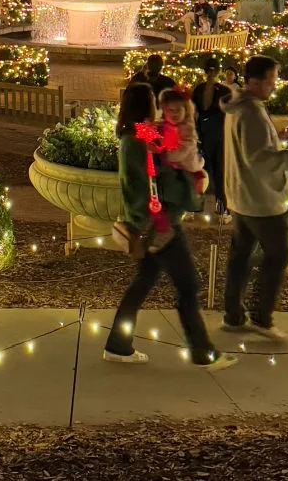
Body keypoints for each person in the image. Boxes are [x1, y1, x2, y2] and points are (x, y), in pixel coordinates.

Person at [102, 83, 236, 371]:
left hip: (154, 223)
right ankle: (202, 353)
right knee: (188, 286)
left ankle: (118, 345)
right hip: (161, 225)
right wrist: (189, 187)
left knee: (143, 284)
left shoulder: (136, 135)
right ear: (144, 106)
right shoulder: (137, 141)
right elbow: (149, 186)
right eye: (153, 102)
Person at [220, 55, 288, 340]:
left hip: (241, 196)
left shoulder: (238, 107)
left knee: (240, 258)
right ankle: (261, 317)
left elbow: (252, 147)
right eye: (270, 80)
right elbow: (261, 161)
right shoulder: (251, 112)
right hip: (261, 201)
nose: (274, 85)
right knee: (277, 255)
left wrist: (277, 138)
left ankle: (234, 315)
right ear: (253, 81)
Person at [191, 57, 232, 214]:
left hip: (205, 134)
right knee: (218, 172)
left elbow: (194, 112)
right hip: (218, 135)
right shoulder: (224, 91)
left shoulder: (199, 89)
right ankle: (221, 208)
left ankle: (197, 206)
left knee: (201, 172)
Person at [157, 88, 210, 199]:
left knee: (189, 193)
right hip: (174, 168)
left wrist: (165, 154)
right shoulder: (165, 126)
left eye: (178, 110)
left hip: (188, 168)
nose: (174, 113)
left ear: (186, 110)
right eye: (170, 110)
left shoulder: (187, 129)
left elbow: (182, 150)